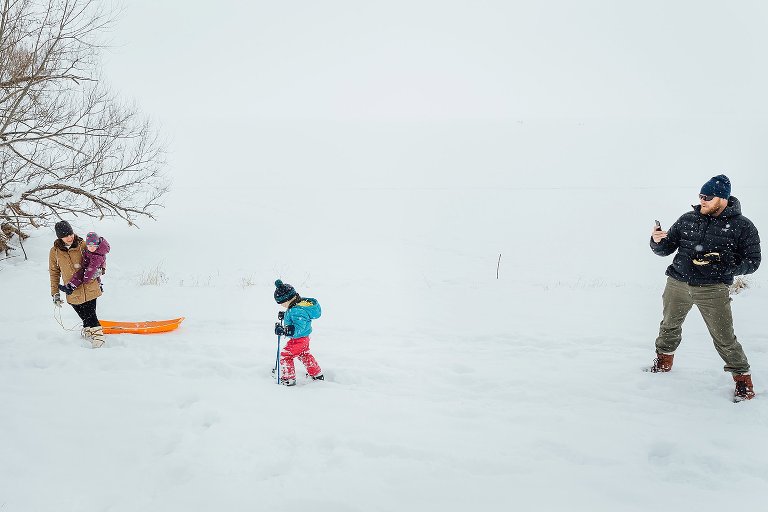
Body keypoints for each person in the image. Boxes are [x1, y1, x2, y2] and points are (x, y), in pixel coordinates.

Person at [649, 174, 761, 401]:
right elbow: (665, 249)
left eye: (707, 197)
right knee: (669, 326)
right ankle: (663, 361)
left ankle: (742, 378)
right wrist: (657, 241)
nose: (702, 201)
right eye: (700, 196)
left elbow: (753, 262)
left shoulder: (743, 226)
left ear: (722, 198)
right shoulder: (688, 219)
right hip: (677, 283)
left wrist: (726, 263)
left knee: (724, 337)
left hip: (712, 289)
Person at [49, 221, 106, 348]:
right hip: (72, 290)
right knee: (84, 317)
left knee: (91, 314)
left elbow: (100, 258)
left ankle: (99, 338)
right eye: (65, 236)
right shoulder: (55, 252)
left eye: (71, 234)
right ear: (59, 237)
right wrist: (55, 293)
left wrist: (100, 271)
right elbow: (54, 272)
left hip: (89, 286)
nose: (70, 237)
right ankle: (88, 330)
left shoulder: (83, 245)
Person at [273, 279, 324, 386]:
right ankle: (316, 374)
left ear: (287, 299)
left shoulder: (296, 310)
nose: (282, 305)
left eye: (282, 303)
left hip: (298, 340)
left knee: (285, 355)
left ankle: (288, 378)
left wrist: (285, 331)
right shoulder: (297, 305)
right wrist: (286, 315)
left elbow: (299, 327)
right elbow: (296, 318)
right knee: (304, 354)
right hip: (304, 338)